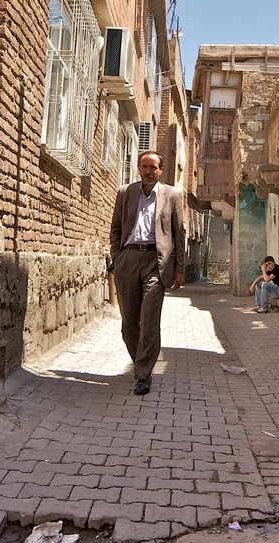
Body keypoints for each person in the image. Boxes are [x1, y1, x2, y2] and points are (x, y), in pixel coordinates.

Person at [109, 151, 185, 395]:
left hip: (156, 260)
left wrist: (179, 269)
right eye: (144, 166)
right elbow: (116, 228)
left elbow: (178, 234)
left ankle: (143, 375)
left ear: (160, 170)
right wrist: (117, 257)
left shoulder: (172, 194)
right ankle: (140, 361)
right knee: (129, 325)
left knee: (149, 320)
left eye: (153, 167)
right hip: (128, 259)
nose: (148, 171)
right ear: (138, 169)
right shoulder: (125, 192)